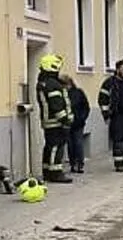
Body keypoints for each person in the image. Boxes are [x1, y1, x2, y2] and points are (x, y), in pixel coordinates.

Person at [35, 54, 73, 183]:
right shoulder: (52, 84)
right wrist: (65, 120)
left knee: (50, 146)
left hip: (49, 121)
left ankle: (47, 171)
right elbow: (56, 104)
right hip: (55, 121)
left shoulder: (44, 82)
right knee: (56, 146)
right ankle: (55, 173)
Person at [63, 75, 90, 174]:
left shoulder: (78, 93)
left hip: (78, 123)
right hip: (67, 123)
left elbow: (86, 106)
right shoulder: (62, 94)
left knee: (78, 143)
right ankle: (72, 163)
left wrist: (82, 118)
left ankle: (80, 164)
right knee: (70, 145)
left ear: (69, 84)